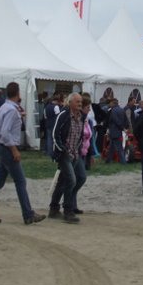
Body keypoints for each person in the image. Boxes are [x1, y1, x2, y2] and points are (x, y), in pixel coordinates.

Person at [0, 82, 46, 225]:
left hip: (1, 146)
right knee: (20, 181)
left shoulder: (5, 107)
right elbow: (5, 132)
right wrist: (14, 149)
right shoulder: (11, 110)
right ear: (18, 93)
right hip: (7, 148)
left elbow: (0, 129)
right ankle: (28, 214)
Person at [49, 93, 87, 223]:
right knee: (71, 180)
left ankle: (54, 208)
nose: (80, 104)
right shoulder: (63, 115)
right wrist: (61, 149)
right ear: (70, 103)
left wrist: (79, 149)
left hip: (75, 153)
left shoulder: (82, 117)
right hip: (64, 154)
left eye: (81, 102)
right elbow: (55, 133)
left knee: (79, 178)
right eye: (77, 101)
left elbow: (80, 136)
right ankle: (68, 210)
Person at [105, 98, 127, 164]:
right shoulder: (122, 110)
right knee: (111, 147)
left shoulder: (113, 110)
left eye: (110, 103)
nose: (110, 104)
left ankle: (123, 162)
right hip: (118, 131)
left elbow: (115, 120)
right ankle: (108, 160)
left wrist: (121, 127)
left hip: (114, 130)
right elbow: (125, 120)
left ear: (113, 103)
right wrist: (123, 127)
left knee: (119, 148)